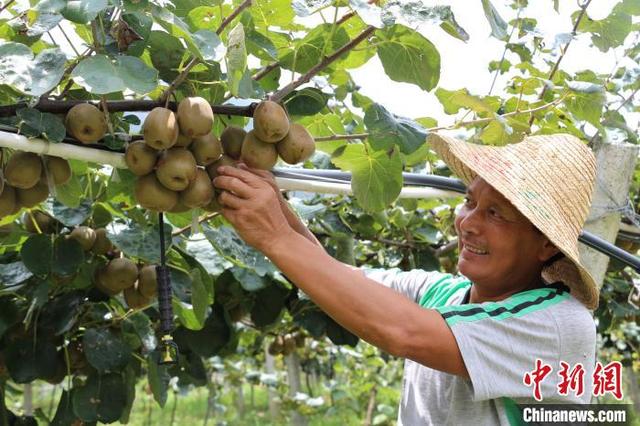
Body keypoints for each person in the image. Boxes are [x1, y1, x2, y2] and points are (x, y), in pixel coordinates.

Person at [212, 133, 599, 425]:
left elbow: (402, 332)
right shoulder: (445, 294)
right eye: (469, 202)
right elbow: (341, 278)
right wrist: (269, 202)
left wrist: (275, 236)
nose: (468, 223)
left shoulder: (558, 324)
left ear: (546, 245)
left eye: (496, 214)